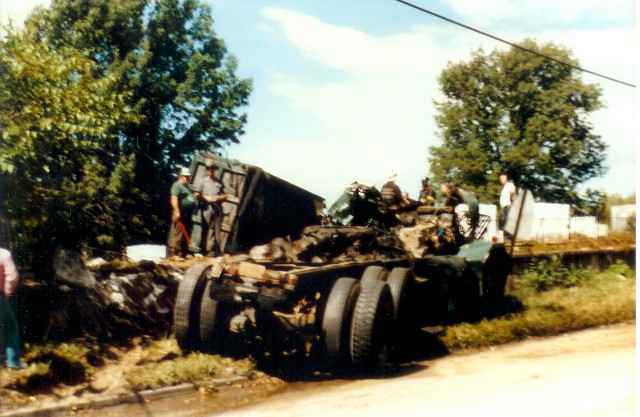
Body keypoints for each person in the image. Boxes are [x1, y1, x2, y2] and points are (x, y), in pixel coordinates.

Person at [194, 159, 228, 256]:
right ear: (206, 169)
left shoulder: (219, 182)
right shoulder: (202, 181)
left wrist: (220, 197)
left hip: (217, 208)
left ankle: (217, 251)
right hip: (206, 207)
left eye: (212, 168)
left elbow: (226, 195)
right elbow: (196, 194)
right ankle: (202, 250)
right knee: (205, 229)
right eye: (208, 168)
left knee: (217, 230)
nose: (210, 170)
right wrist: (205, 197)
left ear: (214, 169)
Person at [0, 247, 25, 368]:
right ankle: (13, 362)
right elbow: (12, 276)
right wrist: (7, 293)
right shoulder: (4, 254)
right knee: (11, 326)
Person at [168, 167, 197, 259]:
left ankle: (182, 254)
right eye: (186, 177)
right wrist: (177, 211)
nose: (188, 178)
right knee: (179, 233)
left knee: (186, 233)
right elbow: (174, 198)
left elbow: (189, 198)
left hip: (187, 214)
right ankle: (174, 254)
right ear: (181, 176)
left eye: (188, 177)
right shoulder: (177, 185)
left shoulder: (186, 187)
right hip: (180, 212)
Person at [499, 173, 517, 239]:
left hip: (508, 205)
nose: (501, 180)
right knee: (506, 220)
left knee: (508, 220)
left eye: (503, 179)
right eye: (501, 179)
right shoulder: (505, 187)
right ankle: (508, 236)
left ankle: (510, 236)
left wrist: (510, 199)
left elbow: (512, 192)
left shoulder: (509, 185)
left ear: (506, 179)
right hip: (505, 206)